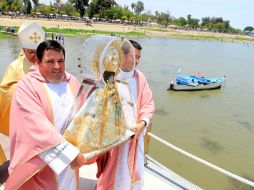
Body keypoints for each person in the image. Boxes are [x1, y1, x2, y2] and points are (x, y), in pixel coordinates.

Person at [5, 40, 88, 190]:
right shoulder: (27, 86)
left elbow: (86, 114)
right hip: (43, 162)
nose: (57, 66)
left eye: (61, 61)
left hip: (72, 159)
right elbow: (34, 124)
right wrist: (69, 153)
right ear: (38, 62)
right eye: (50, 61)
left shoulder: (73, 82)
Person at [96, 40, 155, 189]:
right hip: (114, 137)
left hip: (135, 135)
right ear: (122, 56)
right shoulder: (108, 76)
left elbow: (148, 103)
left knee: (131, 172)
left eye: (139, 57)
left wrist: (143, 123)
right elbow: (97, 104)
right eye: (134, 57)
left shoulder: (140, 77)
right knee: (113, 171)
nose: (137, 61)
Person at [0, 21, 45, 164]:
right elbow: (5, 92)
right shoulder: (15, 67)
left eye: (38, 52)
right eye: (31, 52)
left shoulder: (47, 63)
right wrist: (25, 91)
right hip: (22, 117)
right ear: (23, 49)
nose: (35, 56)